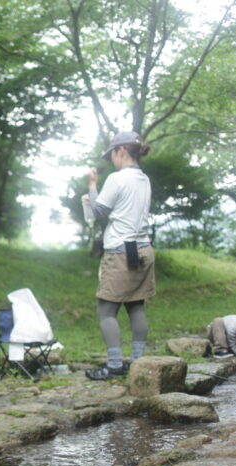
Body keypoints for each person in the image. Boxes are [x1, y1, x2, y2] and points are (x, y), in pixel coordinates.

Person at [82, 132, 155, 380]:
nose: (111, 159)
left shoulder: (117, 178)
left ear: (121, 151)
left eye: (112, 154)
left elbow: (99, 212)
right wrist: (90, 202)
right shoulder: (144, 179)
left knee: (106, 312)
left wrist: (92, 185)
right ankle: (138, 362)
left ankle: (114, 365)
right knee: (135, 306)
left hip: (120, 252)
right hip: (143, 249)